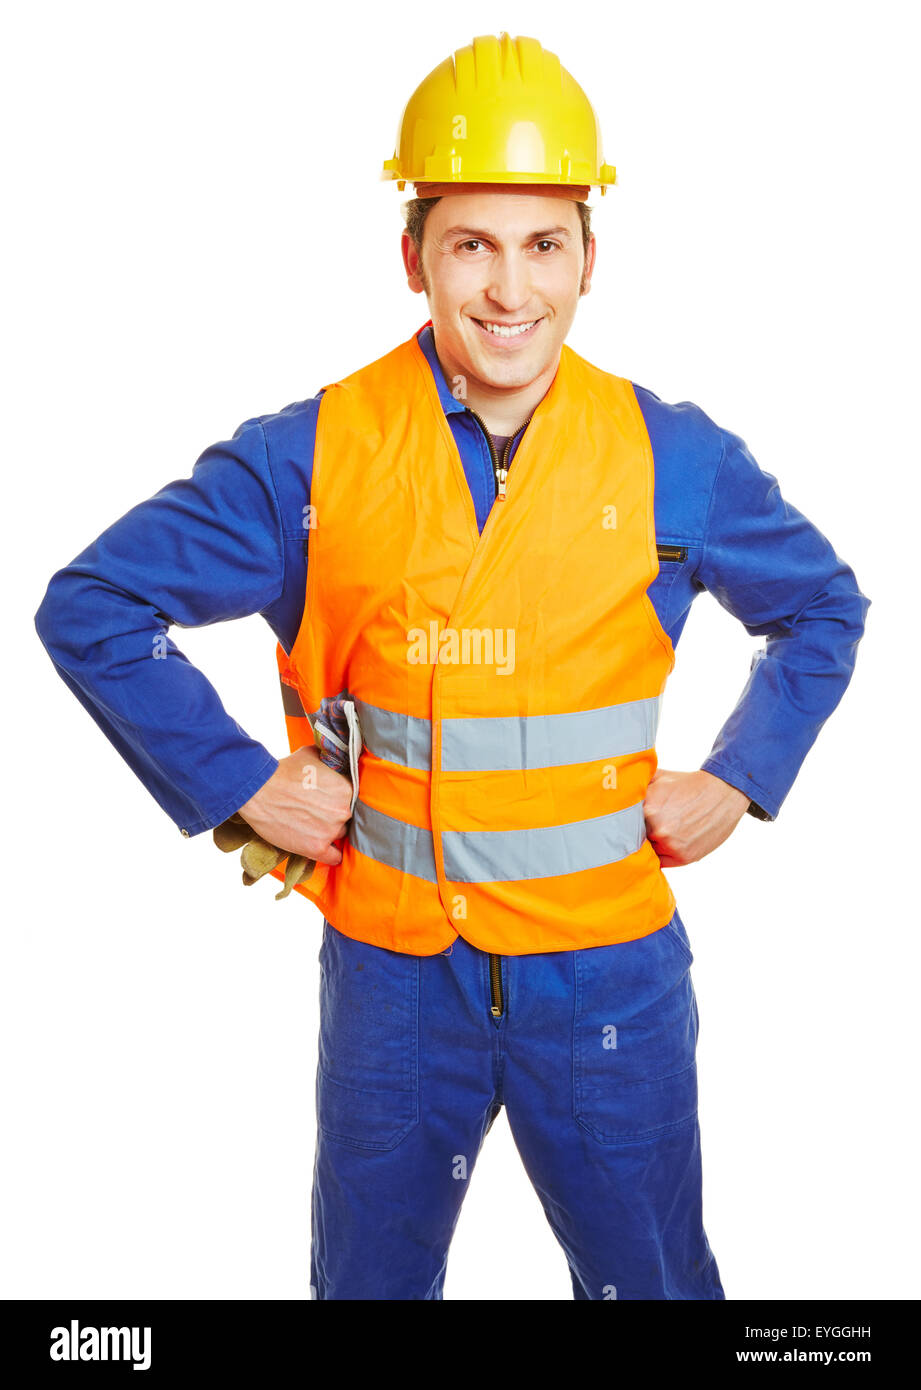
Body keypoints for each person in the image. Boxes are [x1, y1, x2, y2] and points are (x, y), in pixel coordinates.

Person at [34, 32, 871, 1300]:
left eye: (542, 245)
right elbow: (92, 605)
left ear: (591, 256)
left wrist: (741, 777)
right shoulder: (310, 457)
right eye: (470, 243)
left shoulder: (671, 455)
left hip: (607, 980)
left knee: (654, 1286)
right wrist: (238, 786)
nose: (506, 290)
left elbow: (820, 606)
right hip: (392, 983)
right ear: (413, 255)